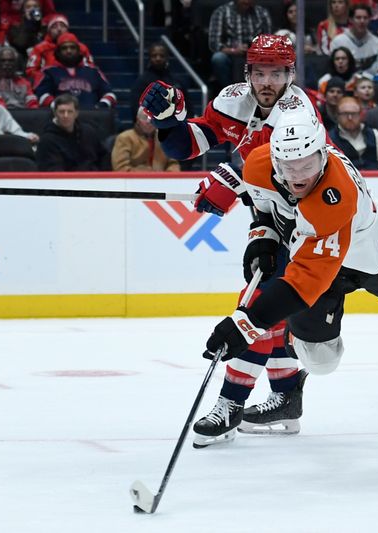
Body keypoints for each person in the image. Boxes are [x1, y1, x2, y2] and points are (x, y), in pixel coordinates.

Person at [195, 107, 378, 445]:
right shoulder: (258, 166)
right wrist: (263, 237)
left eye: (307, 165)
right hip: (317, 262)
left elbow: (304, 281)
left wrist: (246, 324)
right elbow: (265, 207)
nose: (298, 176)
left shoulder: (336, 195)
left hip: (372, 253)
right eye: (289, 167)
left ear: (323, 155)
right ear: (274, 160)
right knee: (320, 360)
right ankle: (292, 357)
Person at [140, 34, 322, 441]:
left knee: (256, 307)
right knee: (272, 309)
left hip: (310, 222)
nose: (268, 82)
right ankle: (286, 396)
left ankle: (230, 405)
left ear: (291, 75)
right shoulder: (233, 100)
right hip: (272, 217)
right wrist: (170, 122)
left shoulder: (298, 113)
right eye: (260, 73)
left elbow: (287, 174)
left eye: (277, 73)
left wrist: (231, 180)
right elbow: (192, 143)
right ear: (248, 73)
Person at [35, 33, 117, 109]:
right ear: (58, 52)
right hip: (61, 116)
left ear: (79, 51)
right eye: (64, 48)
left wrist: (100, 107)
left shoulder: (93, 71)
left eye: (72, 47)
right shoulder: (49, 72)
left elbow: (110, 94)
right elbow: (42, 95)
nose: (69, 51)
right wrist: (57, 107)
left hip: (91, 116)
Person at [208, 0, 273, 90]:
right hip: (229, 53)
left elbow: (269, 41)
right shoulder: (221, 12)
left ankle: (260, 92)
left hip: (256, 55)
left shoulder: (262, 13)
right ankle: (229, 90)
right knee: (218, 58)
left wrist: (255, 49)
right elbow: (214, 44)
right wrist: (234, 50)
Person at [36, 93, 109, 171]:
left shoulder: (88, 131)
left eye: (70, 112)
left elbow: (104, 156)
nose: (66, 116)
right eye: (61, 112)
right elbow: (52, 171)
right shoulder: (47, 140)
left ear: (76, 113)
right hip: (65, 178)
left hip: (94, 177)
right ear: (55, 113)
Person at [26, 14, 96, 84]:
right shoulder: (40, 48)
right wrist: (46, 78)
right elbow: (31, 71)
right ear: (49, 31)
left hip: (77, 82)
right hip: (49, 83)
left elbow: (91, 69)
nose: (59, 29)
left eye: (62, 26)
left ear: (67, 29)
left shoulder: (81, 48)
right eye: (54, 27)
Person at [329, 96, 378, 170]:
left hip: (375, 175)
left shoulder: (374, 134)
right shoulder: (330, 139)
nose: (350, 118)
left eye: (354, 114)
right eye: (345, 114)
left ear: (360, 115)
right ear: (337, 115)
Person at [130, 42, 188, 120]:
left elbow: (187, 106)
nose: (158, 58)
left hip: (176, 123)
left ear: (167, 57)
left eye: (162, 56)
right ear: (149, 57)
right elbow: (136, 108)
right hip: (150, 123)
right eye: (154, 55)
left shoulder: (177, 81)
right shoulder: (141, 82)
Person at [111, 108, 180, 172]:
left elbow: (173, 163)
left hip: (163, 180)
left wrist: (168, 176)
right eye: (144, 118)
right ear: (138, 120)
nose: (149, 122)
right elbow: (121, 168)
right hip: (134, 180)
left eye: (153, 118)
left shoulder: (165, 138)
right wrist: (147, 175)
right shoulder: (125, 138)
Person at [330, 3, 378, 77]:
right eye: (358, 18)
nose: (362, 21)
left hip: (371, 83)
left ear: (369, 20)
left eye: (365, 18)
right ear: (350, 19)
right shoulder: (338, 42)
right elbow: (333, 70)